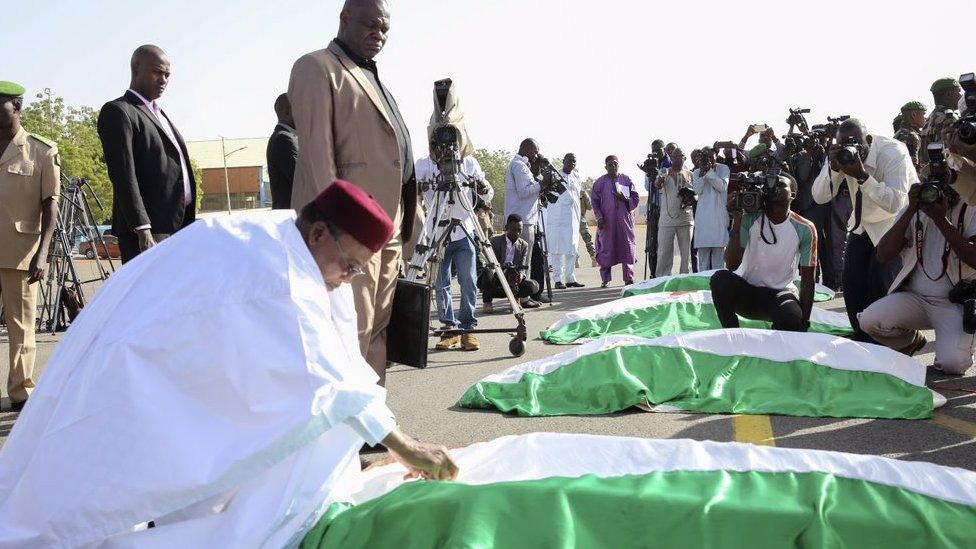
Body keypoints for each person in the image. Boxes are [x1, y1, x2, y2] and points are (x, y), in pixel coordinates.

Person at [0, 180, 458, 547]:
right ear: (319, 233)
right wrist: (407, 446)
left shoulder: (287, 235)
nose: (349, 278)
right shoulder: (287, 277)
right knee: (78, 502)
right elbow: (329, 384)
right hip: (128, 370)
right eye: (350, 265)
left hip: (160, 359)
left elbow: (338, 361)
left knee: (178, 474)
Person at [288, 0, 419, 384]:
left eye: (385, 31)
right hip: (349, 229)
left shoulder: (373, 76)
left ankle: (371, 416)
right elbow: (317, 156)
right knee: (350, 325)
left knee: (378, 323)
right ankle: (341, 422)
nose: (379, 36)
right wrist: (334, 230)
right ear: (345, 19)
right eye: (371, 26)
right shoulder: (317, 67)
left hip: (389, 223)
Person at [812, 118, 916, 341]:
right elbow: (819, 196)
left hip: (895, 226)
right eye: (843, 145)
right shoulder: (839, 155)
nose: (850, 150)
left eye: (856, 144)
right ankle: (861, 337)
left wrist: (862, 175)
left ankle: (889, 340)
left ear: (868, 140)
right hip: (862, 226)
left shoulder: (894, 153)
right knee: (852, 284)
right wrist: (833, 168)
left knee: (881, 287)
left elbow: (894, 203)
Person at [859, 184, 976, 375]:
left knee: (954, 364)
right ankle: (911, 340)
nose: (940, 189)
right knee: (869, 320)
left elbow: (973, 257)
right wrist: (911, 209)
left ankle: (952, 348)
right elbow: (883, 254)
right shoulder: (916, 207)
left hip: (955, 303)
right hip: (916, 298)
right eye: (933, 181)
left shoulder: (972, 206)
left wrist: (940, 219)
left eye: (947, 182)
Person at [97, 45, 196, 264]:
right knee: (150, 297)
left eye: (167, 75)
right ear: (136, 69)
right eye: (157, 72)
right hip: (147, 233)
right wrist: (143, 228)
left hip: (176, 227)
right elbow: (123, 175)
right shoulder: (119, 111)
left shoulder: (161, 114)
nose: (163, 80)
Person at [0, 81, 59, 413]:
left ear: (17, 107)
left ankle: (20, 391)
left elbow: (51, 205)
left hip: (20, 252)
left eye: (0, 104)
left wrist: (43, 252)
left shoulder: (40, 150)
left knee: (21, 327)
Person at [710, 172, 816, 332]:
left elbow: (808, 278)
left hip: (781, 295)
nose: (773, 188)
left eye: (780, 184)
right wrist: (737, 221)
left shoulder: (805, 228)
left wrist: (804, 321)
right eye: (769, 185)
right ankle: (733, 336)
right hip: (749, 294)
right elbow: (731, 265)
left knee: (792, 318)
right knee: (720, 279)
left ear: (792, 194)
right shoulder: (749, 219)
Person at [415, 146, 493, 351]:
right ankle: (450, 328)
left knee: (468, 279)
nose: (445, 147)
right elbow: (411, 193)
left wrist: (482, 188)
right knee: (441, 283)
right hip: (437, 233)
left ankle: (467, 329)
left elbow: (488, 194)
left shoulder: (468, 163)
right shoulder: (423, 165)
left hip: (464, 231)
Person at [503, 138, 548, 304]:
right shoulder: (519, 166)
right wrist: (541, 185)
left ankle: (522, 295)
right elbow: (523, 192)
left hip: (525, 219)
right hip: (522, 221)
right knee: (523, 261)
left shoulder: (521, 165)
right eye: (535, 151)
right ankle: (523, 297)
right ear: (526, 148)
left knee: (522, 260)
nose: (536, 155)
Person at [592, 155, 640, 287]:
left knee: (627, 248)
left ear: (618, 165)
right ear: (605, 167)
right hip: (607, 222)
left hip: (625, 221)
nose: (613, 167)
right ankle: (605, 279)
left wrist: (625, 199)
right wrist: (599, 218)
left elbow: (635, 199)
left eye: (615, 164)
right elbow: (594, 203)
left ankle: (629, 278)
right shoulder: (599, 182)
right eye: (610, 165)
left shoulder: (626, 179)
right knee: (606, 249)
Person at [480, 214, 541, 312]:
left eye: (519, 230)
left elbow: (522, 266)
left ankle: (515, 300)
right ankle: (487, 302)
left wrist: (520, 275)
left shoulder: (523, 245)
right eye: (513, 230)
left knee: (533, 286)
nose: (516, 233)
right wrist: (501, 267)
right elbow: (489, 263)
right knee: (487, 271)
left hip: (513, 280)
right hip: (496, 280)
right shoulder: (495, 241)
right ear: (506, 228)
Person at [546, 153, 585, 289]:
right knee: (557, 249)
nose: (572, 164)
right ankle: (557, 279)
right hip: (558, 218)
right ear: (563, 161)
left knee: (572, 249)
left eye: (574, 161)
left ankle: (570, 278)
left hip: (573, 217)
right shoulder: (555, 174)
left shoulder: (577, 176)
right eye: (569, 161)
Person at [654, 148, 694, 276]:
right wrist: (659, 180)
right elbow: (656, 184)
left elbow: (696, 194)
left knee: (686, 255)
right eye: (674, 156)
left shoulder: (690, 174)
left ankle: (685, 280)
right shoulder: (664, 172)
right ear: (671, 158)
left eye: (680, 156)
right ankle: (662, 280)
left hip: (685, 219)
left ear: (684, 158)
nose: (677, 159)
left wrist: (690, 198)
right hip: (667, 220)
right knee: (664, 253)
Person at [692, 148, 730, 270]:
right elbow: (697, 190)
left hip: (718, 218)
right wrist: (703, 173)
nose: (708, 159)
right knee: (703, 261)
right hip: (703, 220)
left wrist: (709, 172)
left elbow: (722, 186)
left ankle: (718, 286)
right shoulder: (697, 171)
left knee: (718, 261)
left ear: (716, 155)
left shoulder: (723, 168)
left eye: (710, 156)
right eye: (705, 156)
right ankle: (702, 286)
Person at [920, 77, 962, 166]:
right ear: (948, 94)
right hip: (949, 171)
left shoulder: (930, 118)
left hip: (931, 170)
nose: (960, 95)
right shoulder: (949, 117)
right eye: (958, 91)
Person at [267, 93, 298, 209]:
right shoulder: (284, 139)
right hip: (291, 216)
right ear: (287, 112)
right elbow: (302, 179)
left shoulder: (286, 137)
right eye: (300, 108)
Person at [895, 101, 926, 171]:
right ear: (913, 115)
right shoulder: (911, 135)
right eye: (923, 114)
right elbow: (911, 165)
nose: (924, 118)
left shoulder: (899, 133)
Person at [579, 186, 598, 266]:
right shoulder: (583, 192)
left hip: (570, 219)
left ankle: (576, 261)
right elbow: (590, 207)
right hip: (581, 218)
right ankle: (593, 258)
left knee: (573, 241)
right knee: (588, 239)